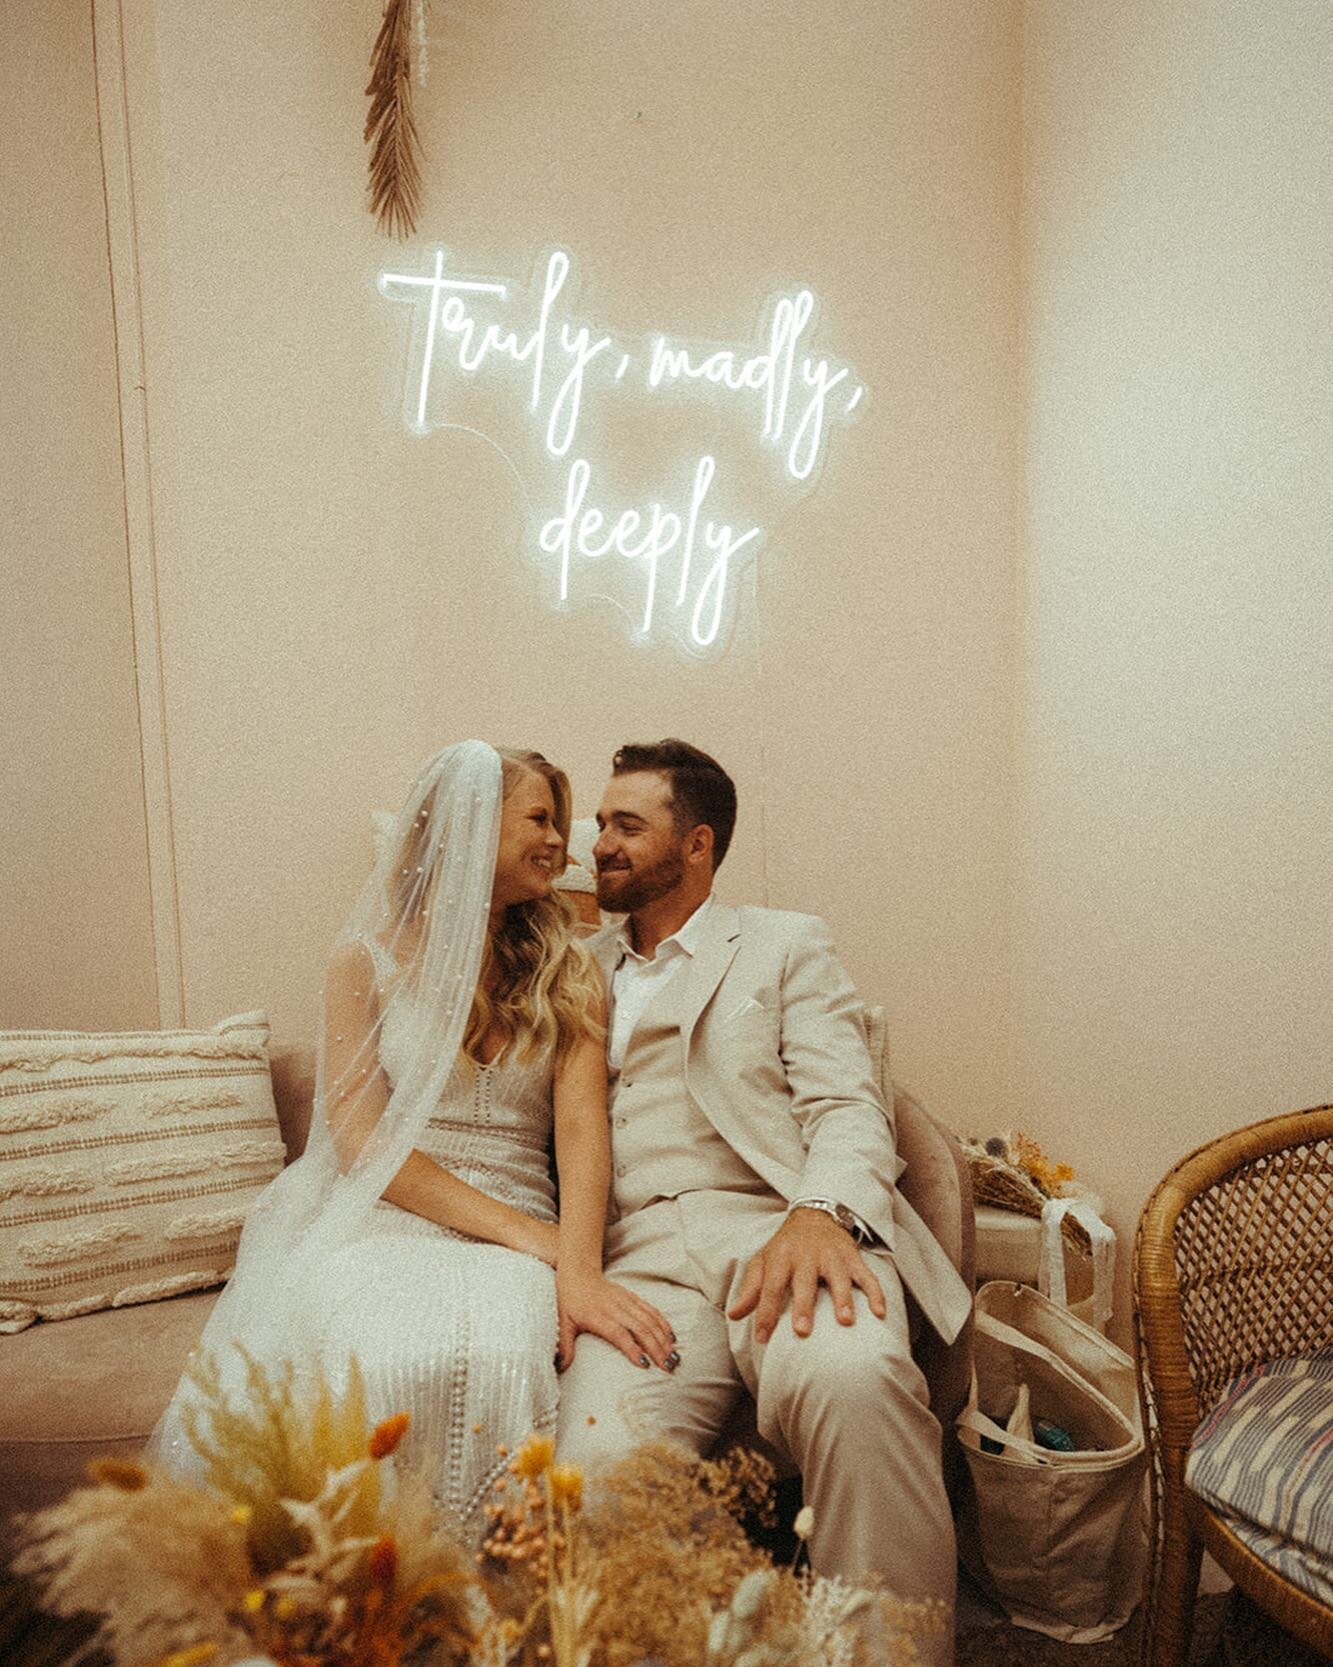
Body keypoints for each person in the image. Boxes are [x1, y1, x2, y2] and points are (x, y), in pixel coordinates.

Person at [152, 741, 673, 1541]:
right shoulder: (362, 959)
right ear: (470, 823)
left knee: (500, 1361)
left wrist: (575, 1263)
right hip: (385, 1215)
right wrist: (532, 1237)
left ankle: (488, 1606)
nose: (561, 846)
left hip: (520, 1235)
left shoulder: (570, 965)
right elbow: (362, 1145)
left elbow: (580, 1130)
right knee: (386, 1362)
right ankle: (376, 1600)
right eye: (540, 818)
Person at [555, 740, 973, 1663]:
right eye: (600, 823)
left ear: (696, 843)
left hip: (779, 1233)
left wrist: (820, 1212)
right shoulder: (571, 965)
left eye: (628, 825)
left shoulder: (784, 943)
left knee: (855, 1383)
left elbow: (848, 1105)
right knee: (595, 1467)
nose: (601, 843)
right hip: (640, 1266)